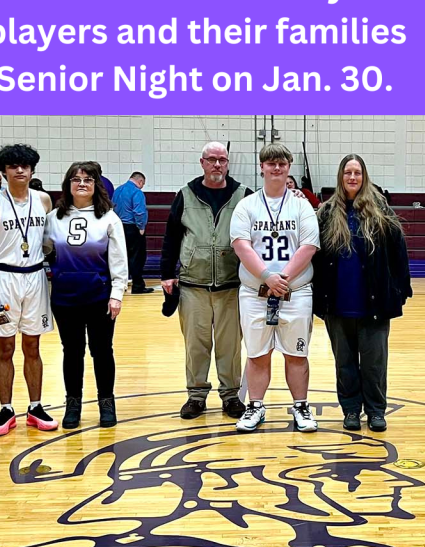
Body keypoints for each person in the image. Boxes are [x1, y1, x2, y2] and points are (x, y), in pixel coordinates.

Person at [313, 154, 411, 432]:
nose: (352, 177)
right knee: (344, 364)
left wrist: (401, 289)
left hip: (374, 303)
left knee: (374, 364)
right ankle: (351, 410)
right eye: (348, 173)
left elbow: (398, 252)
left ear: (364, 176)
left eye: (357, 172)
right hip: (338, 303)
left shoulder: (381, 209)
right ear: (340, 177)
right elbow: (315, 257)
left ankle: (376, 411)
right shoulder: (327, 212)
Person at [230, 143, 321, 433]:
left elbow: (309, 245)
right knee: (257, 353)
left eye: (282, 163)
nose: (276, 167)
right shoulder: (247, 205)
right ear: (262, 167)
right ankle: (255, 406)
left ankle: (301, 406)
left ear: (289, 167)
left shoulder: (300, 204)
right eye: (271, 163)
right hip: (256, 292)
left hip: (295, 292)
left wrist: (281, 279)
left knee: (297, 353)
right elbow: (241, 245)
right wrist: (268, 276)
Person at [160, 142, 251, 420]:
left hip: (231, 286)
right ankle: (196, 396)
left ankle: (231, 395)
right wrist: (166, 273)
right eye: (211, 159)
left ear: (227, 163)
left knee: (230, 346)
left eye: (222, 160)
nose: (217, 165)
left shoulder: (243, 195)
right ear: (202, 163)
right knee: (195, 345)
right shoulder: (185, 195)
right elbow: (172, 235)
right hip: (193, 285)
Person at [0, 144, 58, 436]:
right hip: (5, 280)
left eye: (24, 165)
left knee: (33, 346)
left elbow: (49, 242)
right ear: (4, 171)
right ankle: (6, 408)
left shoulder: (45, 200)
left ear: (32, 169)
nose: (19, 170)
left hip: (36, 278)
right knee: (5, 347)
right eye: (13, 166)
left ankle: (35, 406)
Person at [44, 162, 128, 429]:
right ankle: (73, 403)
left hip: (99, 297)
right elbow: (45, 251)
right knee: (72, 352)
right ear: (68, 184)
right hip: (65, 297)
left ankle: (106, 401)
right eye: (76, 179)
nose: (82, 183)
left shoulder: (109, 218)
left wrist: (116, 294)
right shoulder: (54, 218)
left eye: (88, 179)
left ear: (96, 186)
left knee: (102, 351)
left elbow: (119, 260)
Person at [113, 171, 152, 293]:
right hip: (132, 227)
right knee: (137, 257)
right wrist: (141, 227)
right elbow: (139, 211)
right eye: (143, 184)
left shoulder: (117, 190)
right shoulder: (137, 192)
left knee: (121, 257)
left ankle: (120, 285)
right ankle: (137, 285)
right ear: (140, 181)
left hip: (118, 227)